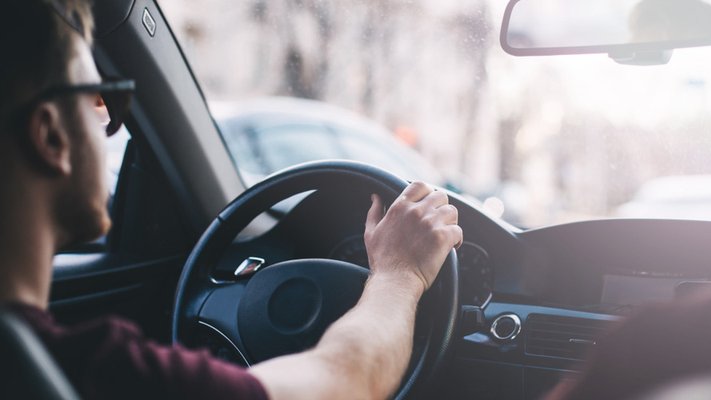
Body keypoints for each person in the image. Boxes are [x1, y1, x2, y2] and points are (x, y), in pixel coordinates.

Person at [0, 0, 463, 399]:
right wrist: (402, 275)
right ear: (52, 136)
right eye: (99, 100)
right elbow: (344, 382)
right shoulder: (100, 374)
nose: (109, 127)